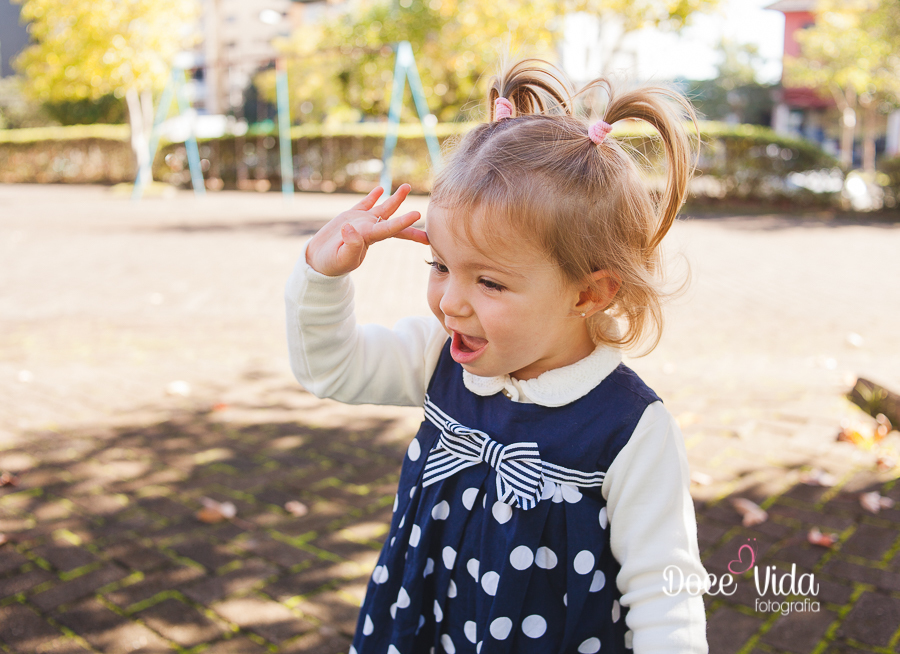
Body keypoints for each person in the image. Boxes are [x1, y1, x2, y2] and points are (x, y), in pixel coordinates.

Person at [285, 58, 708, 654]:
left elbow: (666, 595)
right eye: (439, 266)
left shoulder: (629, 428)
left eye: (491, 283)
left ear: (589, 292)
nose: (450, 302)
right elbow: (331, 368)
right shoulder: (439, 358)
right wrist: (321, 277)